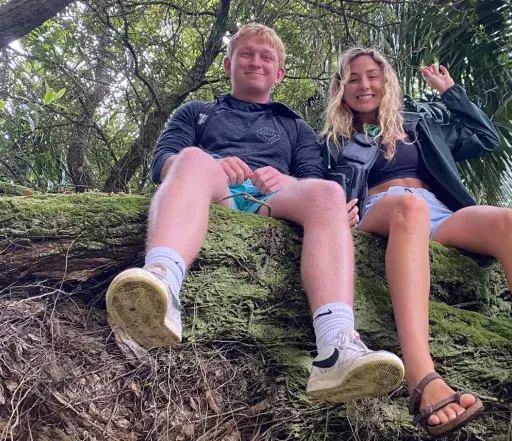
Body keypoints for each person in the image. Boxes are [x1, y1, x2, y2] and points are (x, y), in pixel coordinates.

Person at [323, 47, 512, 437]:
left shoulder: (420, 124)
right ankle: (421, 376)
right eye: (353, 78)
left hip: (439, 212)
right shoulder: (333, 138)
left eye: (372, 75)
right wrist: (336, 212)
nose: (364, 85)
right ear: (340, 88)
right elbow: (316, 183)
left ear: (387, 81)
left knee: (511, 221)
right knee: (407, 210)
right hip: (380, 209)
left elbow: (485, 138)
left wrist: (450, 91)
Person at [105, 26, 404, 403]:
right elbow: (162, 163)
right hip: (212, 191)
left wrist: (285, 178)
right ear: (229, 63)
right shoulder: (197, 113)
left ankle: (337, 346)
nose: (256, 62)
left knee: (329, 192)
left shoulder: (295, 127)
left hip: (269, 204)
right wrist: (213, 163)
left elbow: (312, 181)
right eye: (247, 54)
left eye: (267, 57)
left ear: (279, 74)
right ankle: (160, 285)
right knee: (193, 158)